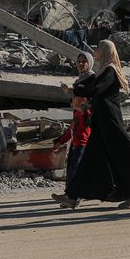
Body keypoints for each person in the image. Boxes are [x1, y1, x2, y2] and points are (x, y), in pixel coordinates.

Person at [52, 41, 130, 209]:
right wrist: (76, 89)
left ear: (105, 51)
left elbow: (95, 90)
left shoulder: (110, 71)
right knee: (93, 160)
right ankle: (73, 196)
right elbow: (91, 89)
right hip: (101, 122)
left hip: (110, 121)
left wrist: (76, 88)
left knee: (123, 156)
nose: (95, 51)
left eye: (98, 48)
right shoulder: (103, 71)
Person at [53, 52, 94, 205]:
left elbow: (87, 99)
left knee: (75, 171)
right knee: (73, 169)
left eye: (84, 61)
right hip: (77, 141)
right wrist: (60, 141)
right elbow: (72, 127)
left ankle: (72, 198)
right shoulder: (78, 110)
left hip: (83, 141)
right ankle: (71, 197)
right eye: (79, 61)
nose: (81, 64)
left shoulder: (91, 81)